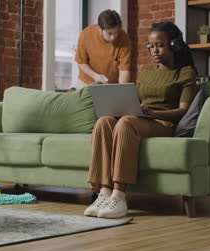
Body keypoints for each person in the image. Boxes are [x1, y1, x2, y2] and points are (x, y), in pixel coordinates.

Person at [84, 22, 197, 219]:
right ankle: (104, 193)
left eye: (159, 45)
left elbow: (183, 111)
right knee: (104, 121)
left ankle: (119, 195)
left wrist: (151, 112)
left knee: (127, 123)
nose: (154, 50)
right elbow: (133, 100)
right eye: (151, 46)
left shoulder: (186, 72)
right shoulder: (146, 72)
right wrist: (123, 108)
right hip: (140, 118)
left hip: (163, 123)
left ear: (174, 45)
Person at [75, 9, 132, 89]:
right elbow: (81, 63)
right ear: (99, 29)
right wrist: (95, 76)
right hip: (86, 83)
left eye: (116, 32)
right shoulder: (86, 34)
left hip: (110, 85)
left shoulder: (124, 38)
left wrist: (121, 90)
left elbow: (124, 70)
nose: (113, 37)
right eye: (110, 33)